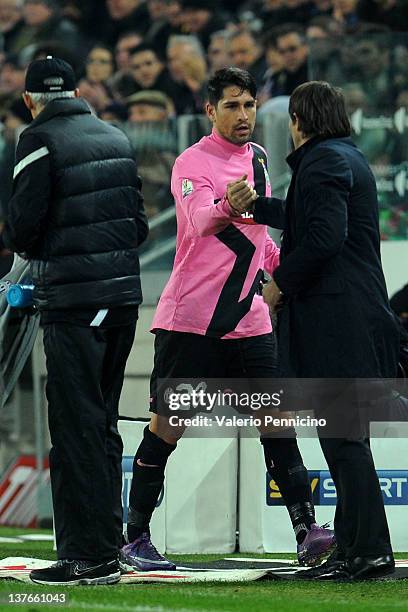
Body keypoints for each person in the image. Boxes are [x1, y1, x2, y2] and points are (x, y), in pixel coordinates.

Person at [120, 67, 335, 573]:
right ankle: (135, 538)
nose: (244, 116)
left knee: (277, 423)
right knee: (169, 427)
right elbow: (195, 222)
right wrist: (225, 205)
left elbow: (257, 238)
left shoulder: (260, 159)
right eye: (233, 106)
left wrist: (281, 265)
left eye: (249, 106)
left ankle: (307, 530)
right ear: (211, 110)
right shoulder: (190, 162)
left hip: (250, 320)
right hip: (193, 319)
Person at [227, 80, 400, 580]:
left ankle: (367, 553)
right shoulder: (344, 158)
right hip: (354, 316)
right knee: (346, 439)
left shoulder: (322, 162)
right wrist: (257, 206)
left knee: (344, 440)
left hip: (336, 320)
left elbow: (324, 237)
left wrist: (279, 283)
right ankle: (354, 548)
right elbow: (311, 220)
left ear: (298, 122)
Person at [2, 56, 148, 585]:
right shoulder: (115, 138)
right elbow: (138, 229)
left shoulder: (36, 140)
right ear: (79, 92)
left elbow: (22, 229)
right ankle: (109, 547)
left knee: (74, 425)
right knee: (103, 423)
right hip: (123, 301)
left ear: (29, 100)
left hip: (74, 303)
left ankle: (84, 555)